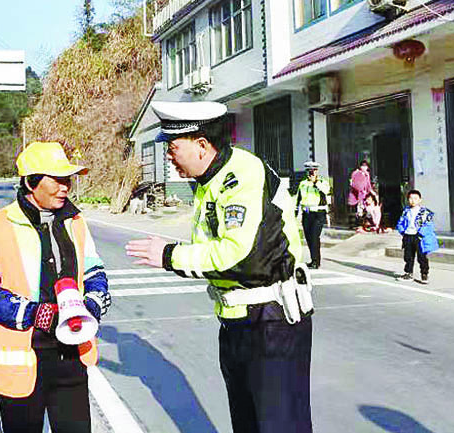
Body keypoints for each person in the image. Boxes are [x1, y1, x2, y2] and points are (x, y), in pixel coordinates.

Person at [125, 101, 314, 433]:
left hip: (270, 322)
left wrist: (169, 255)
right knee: (247, 423)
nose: (169, 156)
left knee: (279, 425)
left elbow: (238, 254)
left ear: (201, 145)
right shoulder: (208, 180)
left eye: (173, 147)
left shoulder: (242, 175)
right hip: (237, 322)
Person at [0, 141, 111, 433]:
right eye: (56, 179)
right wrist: (37, 314)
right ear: (31, 183)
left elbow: (95, 272)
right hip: (22, 360)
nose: (65, 187)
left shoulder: (75, 222)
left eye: (67, 179)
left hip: (72, 355)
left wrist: (93, 305)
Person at [396, 189, 438, 284]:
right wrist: (402, 231)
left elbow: (429, 225)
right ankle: (408, 273)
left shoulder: (425, 212)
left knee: (421, 257)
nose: (413, 200)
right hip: (408, 236)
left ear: (420, 200)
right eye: (410, 198)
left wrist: (421, 234)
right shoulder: (406, 211)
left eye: (415, 198)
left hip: (419, 237)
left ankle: (424, 274)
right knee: (408, 256)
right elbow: (400, 223)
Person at [296, 161, 331, 269]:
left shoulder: (322, 182)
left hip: (318, 213)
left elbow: (326, 191)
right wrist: (296, 212)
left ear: (317, 171)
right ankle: (313, 260)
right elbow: (299, 198)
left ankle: (316, 261)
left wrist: (315, 182)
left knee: (315, 237)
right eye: (309, 171)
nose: (311, 173)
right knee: (309, 238)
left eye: (314, 171)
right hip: (307, 213)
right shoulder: (303, 183)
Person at [348, 160, 375, 227]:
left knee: (365, 209)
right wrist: (361, 190)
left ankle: (364, 223)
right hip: (356, 196)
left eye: (366, 166)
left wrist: (372, 192)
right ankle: (356, 224)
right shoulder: (356, 173)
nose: (364, 168)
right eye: (363, 166)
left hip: (363, 196)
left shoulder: (367, 174)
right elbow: (354, 184)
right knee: (358, 210)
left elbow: (368, 185)